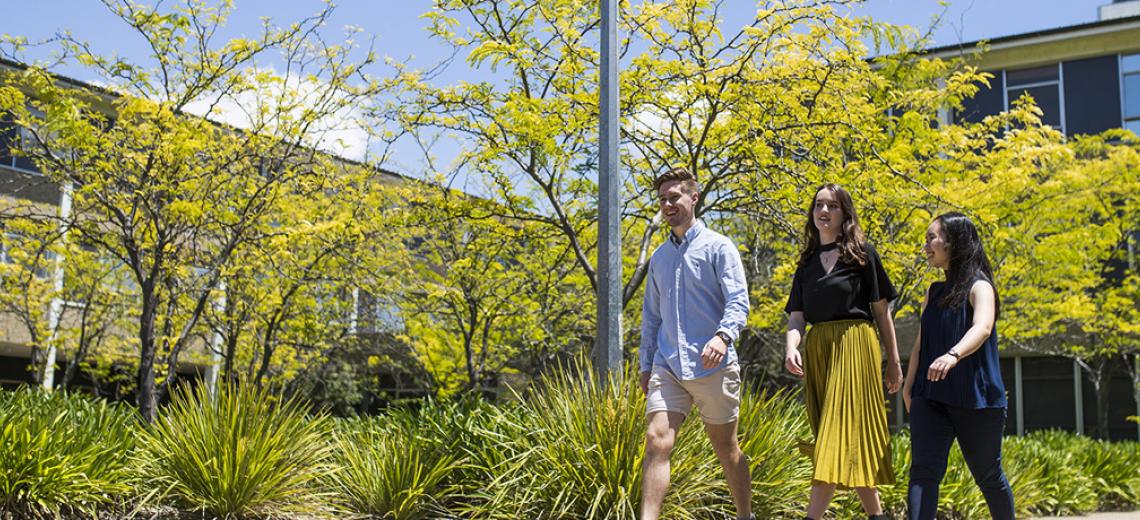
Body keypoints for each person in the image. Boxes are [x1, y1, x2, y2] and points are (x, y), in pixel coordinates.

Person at [640, 166, 752, 520]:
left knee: (726, 448)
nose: (667, 204)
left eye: (674, 197)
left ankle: (745, 515)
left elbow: (738, 301)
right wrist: (646, 364)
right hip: (668, 365)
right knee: (657, 440)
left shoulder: (719, 247)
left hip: (713, 365)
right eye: (662, 199)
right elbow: (651, 317)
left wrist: (723, 336)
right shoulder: (658, 258)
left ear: (694, 197)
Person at [784, 183, 902, 520]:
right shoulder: (805, 263)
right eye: (819, 205)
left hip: (855, 346)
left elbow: (882, 313)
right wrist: (792, 347)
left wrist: (893, 364)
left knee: (832, 441)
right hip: (820, 350)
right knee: (844, 440)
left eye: (832, 206)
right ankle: (878, 516)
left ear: (844, 212)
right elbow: (796, 318)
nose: (824, 211)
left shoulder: (863, 254)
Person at [902, 212, 1015, 520]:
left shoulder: (980, 287)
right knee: (923, 472)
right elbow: (921, 343)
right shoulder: (933, 291)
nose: (926, 246)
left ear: (953, 242)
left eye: (931, 239)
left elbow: (982, 328)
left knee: (988, 476)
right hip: (931, 397)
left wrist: (953, 355)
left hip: (975, 399)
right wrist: (909, 387)